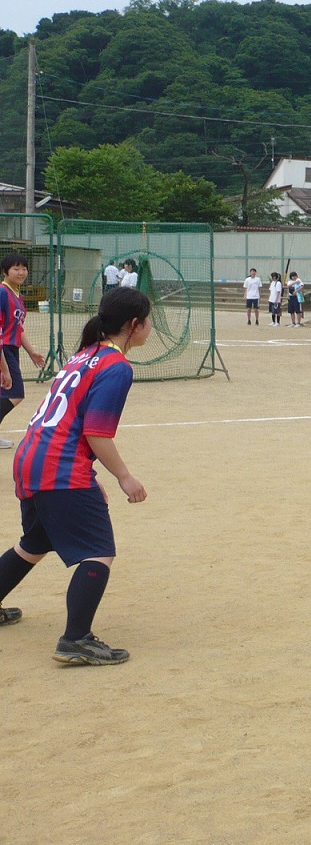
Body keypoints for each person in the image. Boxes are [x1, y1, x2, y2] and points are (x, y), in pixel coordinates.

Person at [0, 287, 151, 665]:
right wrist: (124, 476)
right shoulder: (116, 366)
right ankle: (76, 639)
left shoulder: (83, 356)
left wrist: (87, 474)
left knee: (34, 544)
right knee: (98, 551)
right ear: (134, 325)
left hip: (31, 457)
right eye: (148, 321)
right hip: (57, 465)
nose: (150, 327)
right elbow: (96, 433)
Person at [0, 255, 47, 449]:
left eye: (24, 269)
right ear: (5, 272)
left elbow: (18, 328)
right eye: (15, 269)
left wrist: (31, 352)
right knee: (15, 393)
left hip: (11, 349)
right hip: (4, 350)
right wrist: (4, 367)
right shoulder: (2, 293)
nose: (21, 273)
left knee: (6, 393)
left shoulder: (17, 295)